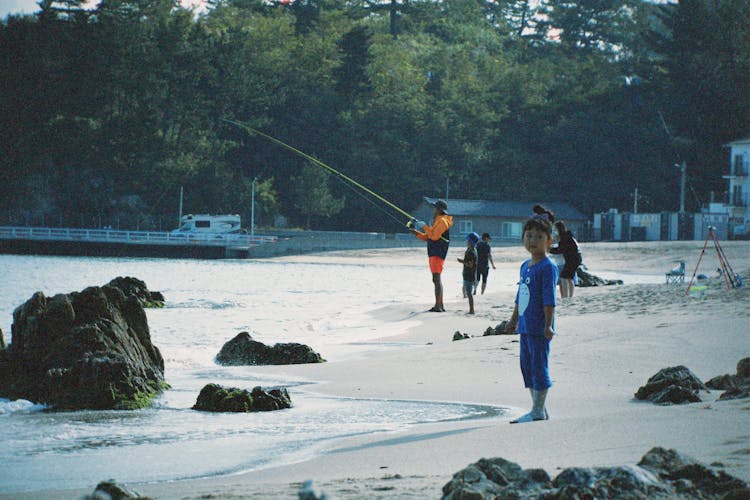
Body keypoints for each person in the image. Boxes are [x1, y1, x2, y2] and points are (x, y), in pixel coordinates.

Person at [505, 206, 558, 424]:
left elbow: (549, 299)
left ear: (549, 240)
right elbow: (521, 296)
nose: (532, 240)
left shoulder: (548, 267)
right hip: (525, 325)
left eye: (538, 236)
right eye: (528, 236)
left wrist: (548, 325)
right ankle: (539, 409)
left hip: (539, 326)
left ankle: (537, 410)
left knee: (539, 365)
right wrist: (513, 319)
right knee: (526, 366)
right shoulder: (525, 266)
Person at [409, 199, 454, 312]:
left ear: (439, 210)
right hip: (434, 252)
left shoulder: (443, 221)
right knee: (436, 279)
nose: (433, 209)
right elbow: (428, 237)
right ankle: (440, 305)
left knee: (436, 279)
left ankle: (438, 306)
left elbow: (434, 237)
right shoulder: (437, 220)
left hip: (437, 253)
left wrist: (424, 226)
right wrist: (416, 232)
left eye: (435, 208)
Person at [550, 220, 582, 298]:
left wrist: (549, 250)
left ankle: (566, 296)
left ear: (559, 229)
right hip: (575, 259)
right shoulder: (567, 236)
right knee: (569, 277)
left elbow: (560, 250)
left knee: (564, 277)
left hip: (572, 259)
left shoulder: (564, 238)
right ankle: (569, 296)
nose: (554, 231)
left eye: (555, 229)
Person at [458, 232, 479, 314]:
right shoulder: (471, 250)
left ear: (470, 242)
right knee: (468, 292)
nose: (466, 242)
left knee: (469, 293)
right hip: (469, 274)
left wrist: (461, 261)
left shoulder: (471, 252)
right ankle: (471, 309)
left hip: (469, 275)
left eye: (467, 240)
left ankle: (471, 310)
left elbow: (470, 264)